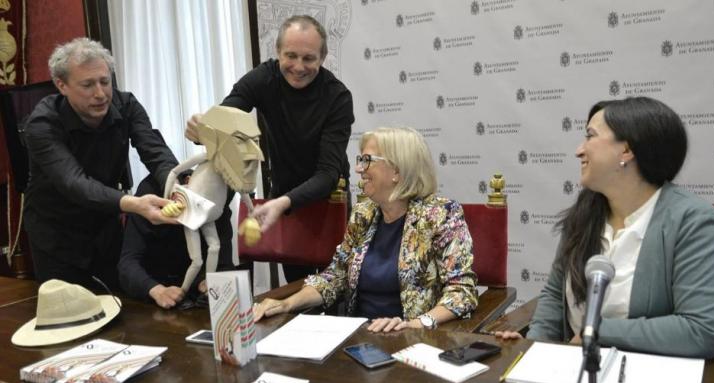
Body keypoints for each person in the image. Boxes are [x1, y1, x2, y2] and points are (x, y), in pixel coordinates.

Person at [495, 96, 714, 359]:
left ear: (626, 151)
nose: (579, 150)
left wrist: (597, 331)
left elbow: (703, 330)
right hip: (574, 374)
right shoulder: (585, 213)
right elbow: (555, 294)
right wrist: (534, 349)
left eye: (590, 136)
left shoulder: (695, 222)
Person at [252, 127, 478, 332]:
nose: (359, 169)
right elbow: (335, 276)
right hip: (358, 338)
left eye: (367, 160)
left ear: (397, 171)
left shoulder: (441, 215)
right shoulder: (364, 214)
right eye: (360, 160)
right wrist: (287, 303)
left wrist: (416, 324)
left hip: (412, 341)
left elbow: (462, 292)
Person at [185, 14, 354, 283]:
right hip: (284, 200)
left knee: (333, 290)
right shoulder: (264, 78)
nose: (298, 67)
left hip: (327, 199)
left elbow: (327, 175)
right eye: (291, 56)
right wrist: (201, 131)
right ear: (277, 52)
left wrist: (282, 203)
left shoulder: (338, 97)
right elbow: (224, 118)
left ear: (323, 57)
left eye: (309, 58)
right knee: (296, 292)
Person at [24, 37, 178, 291]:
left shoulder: (126, 104)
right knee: (70, 319)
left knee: (120, 309)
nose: (100, 94)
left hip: (105, 229)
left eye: (105, 82)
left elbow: (154, 151)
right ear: (61, 85)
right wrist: (134, 204)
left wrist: (178, 184)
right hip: (56, 236)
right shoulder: (42, 123)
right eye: (87, 85)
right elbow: (74, 183)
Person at [118, 174, 234, 309]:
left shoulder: (218, 200)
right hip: (152, 297)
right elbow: (127, 264)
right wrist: (156, 290)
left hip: (194, 298)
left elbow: (224, 263)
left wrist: (211, 281)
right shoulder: (151, 193)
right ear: (188, 181)